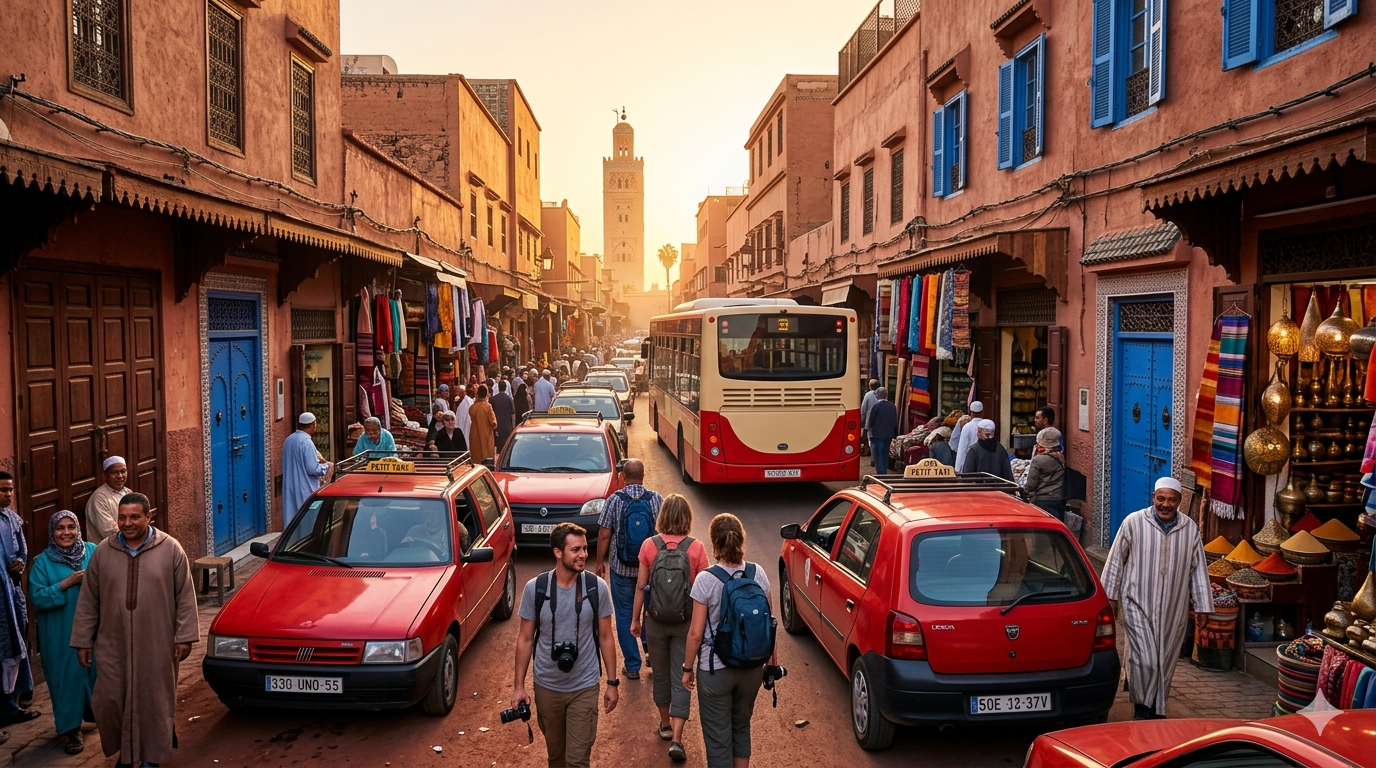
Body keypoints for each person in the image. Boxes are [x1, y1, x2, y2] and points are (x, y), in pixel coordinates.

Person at [72, 493, 199, 767]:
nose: (127, 523)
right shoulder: (104, 552)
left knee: (154, 701)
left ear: (148, 517)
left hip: (158, 642)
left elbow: (185, 597)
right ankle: (126, 753)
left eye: (134, 517)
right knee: (109, 700)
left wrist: (185, 636)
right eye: (122, 517)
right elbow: (88, 600)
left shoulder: (170, 549)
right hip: (112, 643)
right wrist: (83, 640)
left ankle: (151, 757)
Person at [1102, 477, 1214, 720]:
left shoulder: (1189, 528)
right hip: (1137, 603)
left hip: (1174, 608)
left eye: (1171, 500)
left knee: (1165, 659)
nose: (1165, 504)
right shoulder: (1133, 522)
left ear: (1179, 502)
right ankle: (1143, 709)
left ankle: (1156, 709)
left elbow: (1198, 570)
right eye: (1161, 499)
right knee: (1146, 658)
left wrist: (1203, 607)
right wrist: (1110, 598)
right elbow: (1114, 561)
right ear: (1153, 498)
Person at [512, 523, 618, 768]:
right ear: (558, 552)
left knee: (577, 760)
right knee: (556, 757)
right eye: (575, 550)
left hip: (585, 685)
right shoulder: (535, 589)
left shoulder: (596, 587)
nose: (583, 555)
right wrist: (519, 687)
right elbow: (526, 639)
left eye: (584, 548)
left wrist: (612, 683)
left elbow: (605, 636)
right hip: (547, 686)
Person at [682, 514, 774, 768]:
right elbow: (770, 623)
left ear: (714, 542)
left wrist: (687, 668)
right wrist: (770, 663)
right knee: (741, 727)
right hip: (752, 666)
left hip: (715, 670)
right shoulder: (758, 573)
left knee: (718, 737)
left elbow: (695, 633)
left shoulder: (706, 579)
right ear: (742, 540)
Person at [630, 495, 708, 763]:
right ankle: (677, 738)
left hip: (656, 620)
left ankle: (664, 725)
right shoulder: (696, 548)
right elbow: (704, 592)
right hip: (686, 622)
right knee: (682, 675)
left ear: (662, 516)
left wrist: (636, 619)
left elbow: (641, 586)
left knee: (660, 673)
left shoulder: (649, 546)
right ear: (687, 517)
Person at [29, 511, 97, 754]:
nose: (66, 532)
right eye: (60, 528)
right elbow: (37, 597)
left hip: (92, 629)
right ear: (52, 532)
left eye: (71, 527)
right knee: (65, 679)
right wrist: (65, 584)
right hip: (59, 633)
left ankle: (95, 714)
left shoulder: (92, 551)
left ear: (78, 529)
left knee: (95, 674)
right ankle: (71, 731)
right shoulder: (42, 562)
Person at [595, 459, 664, 679]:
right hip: (651, 571)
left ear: (623, 476)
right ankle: (652, 653)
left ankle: (632, 666)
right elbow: (664, 535)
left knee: (625, 615)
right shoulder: (656, 500)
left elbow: (605, 534)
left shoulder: (614, 500)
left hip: (621, 570)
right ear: (644, 476)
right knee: (649, 613)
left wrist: (599, 562)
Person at [0, 473, 36, 731]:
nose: (8, 494)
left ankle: (12, 702)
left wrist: (20, 563)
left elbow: (22, 550)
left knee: (15, 645)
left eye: (10, 490)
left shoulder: (12, 519)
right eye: (3, 490)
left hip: (12, 595)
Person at [282, 413, 331, 526]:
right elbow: (313, 469)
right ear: (313, 425)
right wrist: (327, 466)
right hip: (304, 487)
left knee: (293, 519)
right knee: (307, 520)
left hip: (290, 486)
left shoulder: (289, 440)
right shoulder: (307, 443)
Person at [1023, 427, 1066, 521]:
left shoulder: (1038, 460)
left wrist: (1024, 492)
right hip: (1057, 501)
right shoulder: (1061, 458)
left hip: (1041, 501)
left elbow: (1031, 484)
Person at [84, 456, 130, 543]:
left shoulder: (128, 492)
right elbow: (110, 532)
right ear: (105, 475)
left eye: (123, 471)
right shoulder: (99, 499)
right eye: (114, 472)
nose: (120, 476)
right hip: (108, 551)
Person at [866, 387, 899, 475]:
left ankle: (880, 472)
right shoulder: (892, 406)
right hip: (888, 433)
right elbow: (894, 421)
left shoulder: (876, 406)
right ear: (886, 395)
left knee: (878, 454)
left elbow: (871, 421)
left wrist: (868, 428)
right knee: (885, 453)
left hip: (877, 434)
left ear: (877, 396)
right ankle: (884, 471)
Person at [468, 385, 499, 465]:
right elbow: (494, 423)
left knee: (476, 457)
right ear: (486, 395)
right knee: (487, 457)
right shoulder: (488, 407)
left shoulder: (472, 407)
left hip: (474, 435)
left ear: (477, 394)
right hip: (486, 435)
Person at [952, 400, 985, 472]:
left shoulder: (967, 427)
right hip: (985, 463)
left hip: (969, 463)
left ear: (971, 413)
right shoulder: (987, 426)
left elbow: (962, 448)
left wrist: (958, 469)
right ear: (982, 412)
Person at [492, 379, 516, 452]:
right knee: (507, 448)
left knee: (499, 448)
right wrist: (513, 426)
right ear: (505, 388)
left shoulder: (493, 399)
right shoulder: (509, 399)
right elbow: (513, 414)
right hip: (507, 426)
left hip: (497, 426)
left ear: (498, 387)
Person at [859, 379, 880, 446]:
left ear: (870, 387)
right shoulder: (882, 393)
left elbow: (863, 409)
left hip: (870, 421)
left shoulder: (868, 395)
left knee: (871, 437)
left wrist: (862, 422)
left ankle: (873, 452)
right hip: (880, 421)